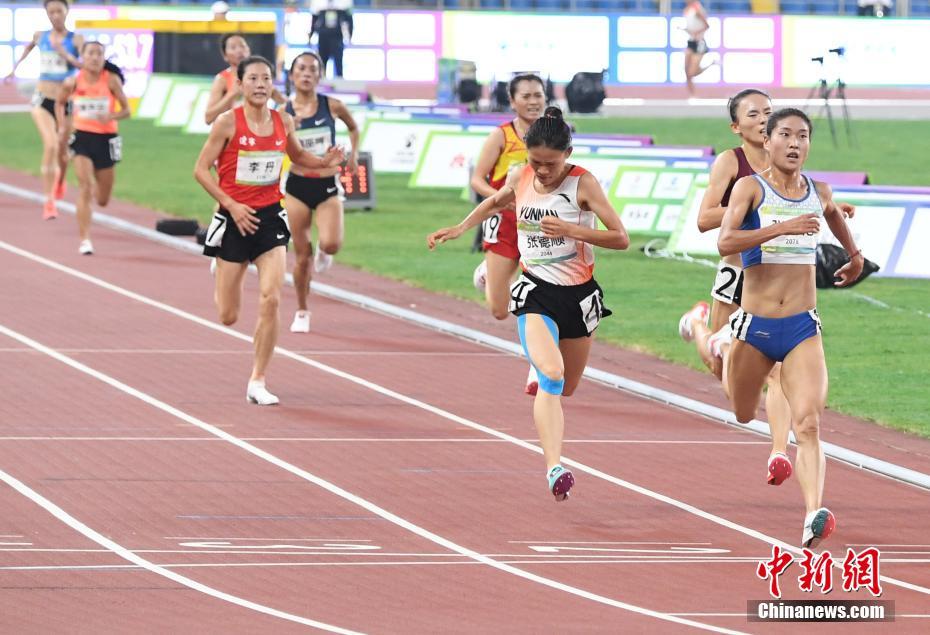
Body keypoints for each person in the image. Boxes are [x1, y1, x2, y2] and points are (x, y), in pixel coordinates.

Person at [428, 107, 630, 501]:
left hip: (579, 296)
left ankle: (542, 366)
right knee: (551, 375)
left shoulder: (583, 184)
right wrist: (459, 228)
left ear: (568, 154)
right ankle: (555, 468)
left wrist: (571, 229)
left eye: (551, 164)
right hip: (536, 291)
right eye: (536, 162)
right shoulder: (520, 175)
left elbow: (620, 237)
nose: (543, 171)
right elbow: (494, 202)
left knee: (566, 387)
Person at [718, 108, 864, 548]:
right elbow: (725, 241)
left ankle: (813, 513)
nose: (795, 143)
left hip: (802, 327)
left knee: (810, 424)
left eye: (803, 136)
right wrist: (783, 228)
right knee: (744, 412)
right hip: (755, 327)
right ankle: (713, 342)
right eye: (785, 134)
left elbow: (832, 213)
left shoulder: (818, 192)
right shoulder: (750, 188)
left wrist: (854, 255)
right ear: (768, 141)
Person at [193, 56, 343, 406]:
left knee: (271, 298)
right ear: (240, 84)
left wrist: (324, 161)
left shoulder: (283, 120)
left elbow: (298, 156)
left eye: (266, 79)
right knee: (228, 315)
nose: (260, 85)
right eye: (253, 79)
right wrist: (230, 205)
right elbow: (200, 170)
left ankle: (258, 379)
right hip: (234, 219)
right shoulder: (227, 123)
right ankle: (222, 266)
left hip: (271, 218)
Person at [470, 73, 546, 394]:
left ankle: (538, 366)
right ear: (512, 102)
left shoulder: (554, 133)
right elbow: (477, 179)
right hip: (505, 223)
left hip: (540, 225)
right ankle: (489, 272)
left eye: (538, 95)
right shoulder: (501, 136)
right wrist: (500, 199)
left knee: (541, 297)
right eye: (526, 96)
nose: (533, 101)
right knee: (500, 310)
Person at [281, 51, 359, 333]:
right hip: (297, 186)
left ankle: (326, 253)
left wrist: (353, 155)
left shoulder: (332, 105)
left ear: (320, 75)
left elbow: (353, 128)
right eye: (301, 69)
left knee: (331, 244)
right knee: (302, 254)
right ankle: (302, 310)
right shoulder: (283, 112)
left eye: (312, 69)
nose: (306, 74)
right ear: (292, 75)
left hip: (327, 185)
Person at [4, 0, 83, 220]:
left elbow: (85, 66)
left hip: (66, 102)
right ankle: (49, 201)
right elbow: (28, 47)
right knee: (50, 145)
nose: (55, 15)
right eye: (51, 12)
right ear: (46, 14)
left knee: (63, 152)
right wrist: (14, 68)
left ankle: (60, 180)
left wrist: (65, 55)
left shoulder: (76, 39)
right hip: (42, 98)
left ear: (67, 12)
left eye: (59, 11)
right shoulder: (41, 36)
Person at [55, 41, 129, 255]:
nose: (95, 57)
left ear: (103, 58)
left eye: (99, 54)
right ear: (83, 57)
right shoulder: (72, 82)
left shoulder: (111, 80)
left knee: (103, 200)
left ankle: (94, 196)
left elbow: (126, 110)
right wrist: (62, 126)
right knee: (85, 187)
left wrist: (111, 115)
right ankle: (85, 239)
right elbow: (60, 103)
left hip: (106, 139)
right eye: (91, 53)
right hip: (82, 137)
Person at [205, 34, 285, 126]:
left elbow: (285, 105)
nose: (239, 50)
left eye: (242, 46)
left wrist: (276, 94)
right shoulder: (222, 79)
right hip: (231, 131)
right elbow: (208, 118)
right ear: (225, 56)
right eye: (233, 47)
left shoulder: (261, 76)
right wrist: (231, 94)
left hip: (258, 131)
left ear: (249, 50)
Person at [310, 0, 353, 79]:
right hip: (323, 35)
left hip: (337, 36)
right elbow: (314, 19)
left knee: (338, 62)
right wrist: (311, 34)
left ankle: (340, 81)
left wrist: (350, 35)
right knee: (322, 62)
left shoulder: (344, 3)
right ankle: (321, 81)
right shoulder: (318, 3)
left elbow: (349, 19)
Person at [683, 0, 712, 96]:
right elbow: (692, 26)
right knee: (687, 71)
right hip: (691, 41)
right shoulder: (687, 9)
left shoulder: (697, 9)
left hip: (699, 42)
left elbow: (706, 25)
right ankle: (691, 95)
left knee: (692, 73)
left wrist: (696, 33)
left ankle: (712, 63)